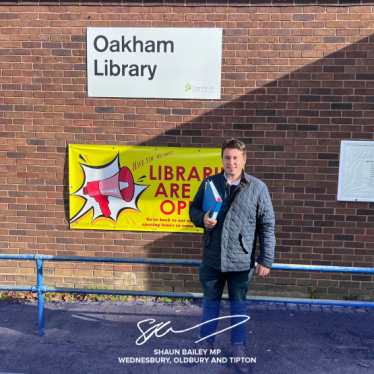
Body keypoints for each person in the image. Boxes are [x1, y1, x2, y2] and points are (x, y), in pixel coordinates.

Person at [189, 138, 276, 374]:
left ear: (244, 160)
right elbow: (193, 209)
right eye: (227, 157)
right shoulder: (210, 183)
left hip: (241, 260)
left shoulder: (258, 188)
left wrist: (266, 259)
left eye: (236, 157)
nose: (231, 162)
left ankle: (239, 347)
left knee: (239, 306)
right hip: (212, 258)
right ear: (222, 160)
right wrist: (202, 219)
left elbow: (266, 225)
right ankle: (206, 342)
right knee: (210, 304)